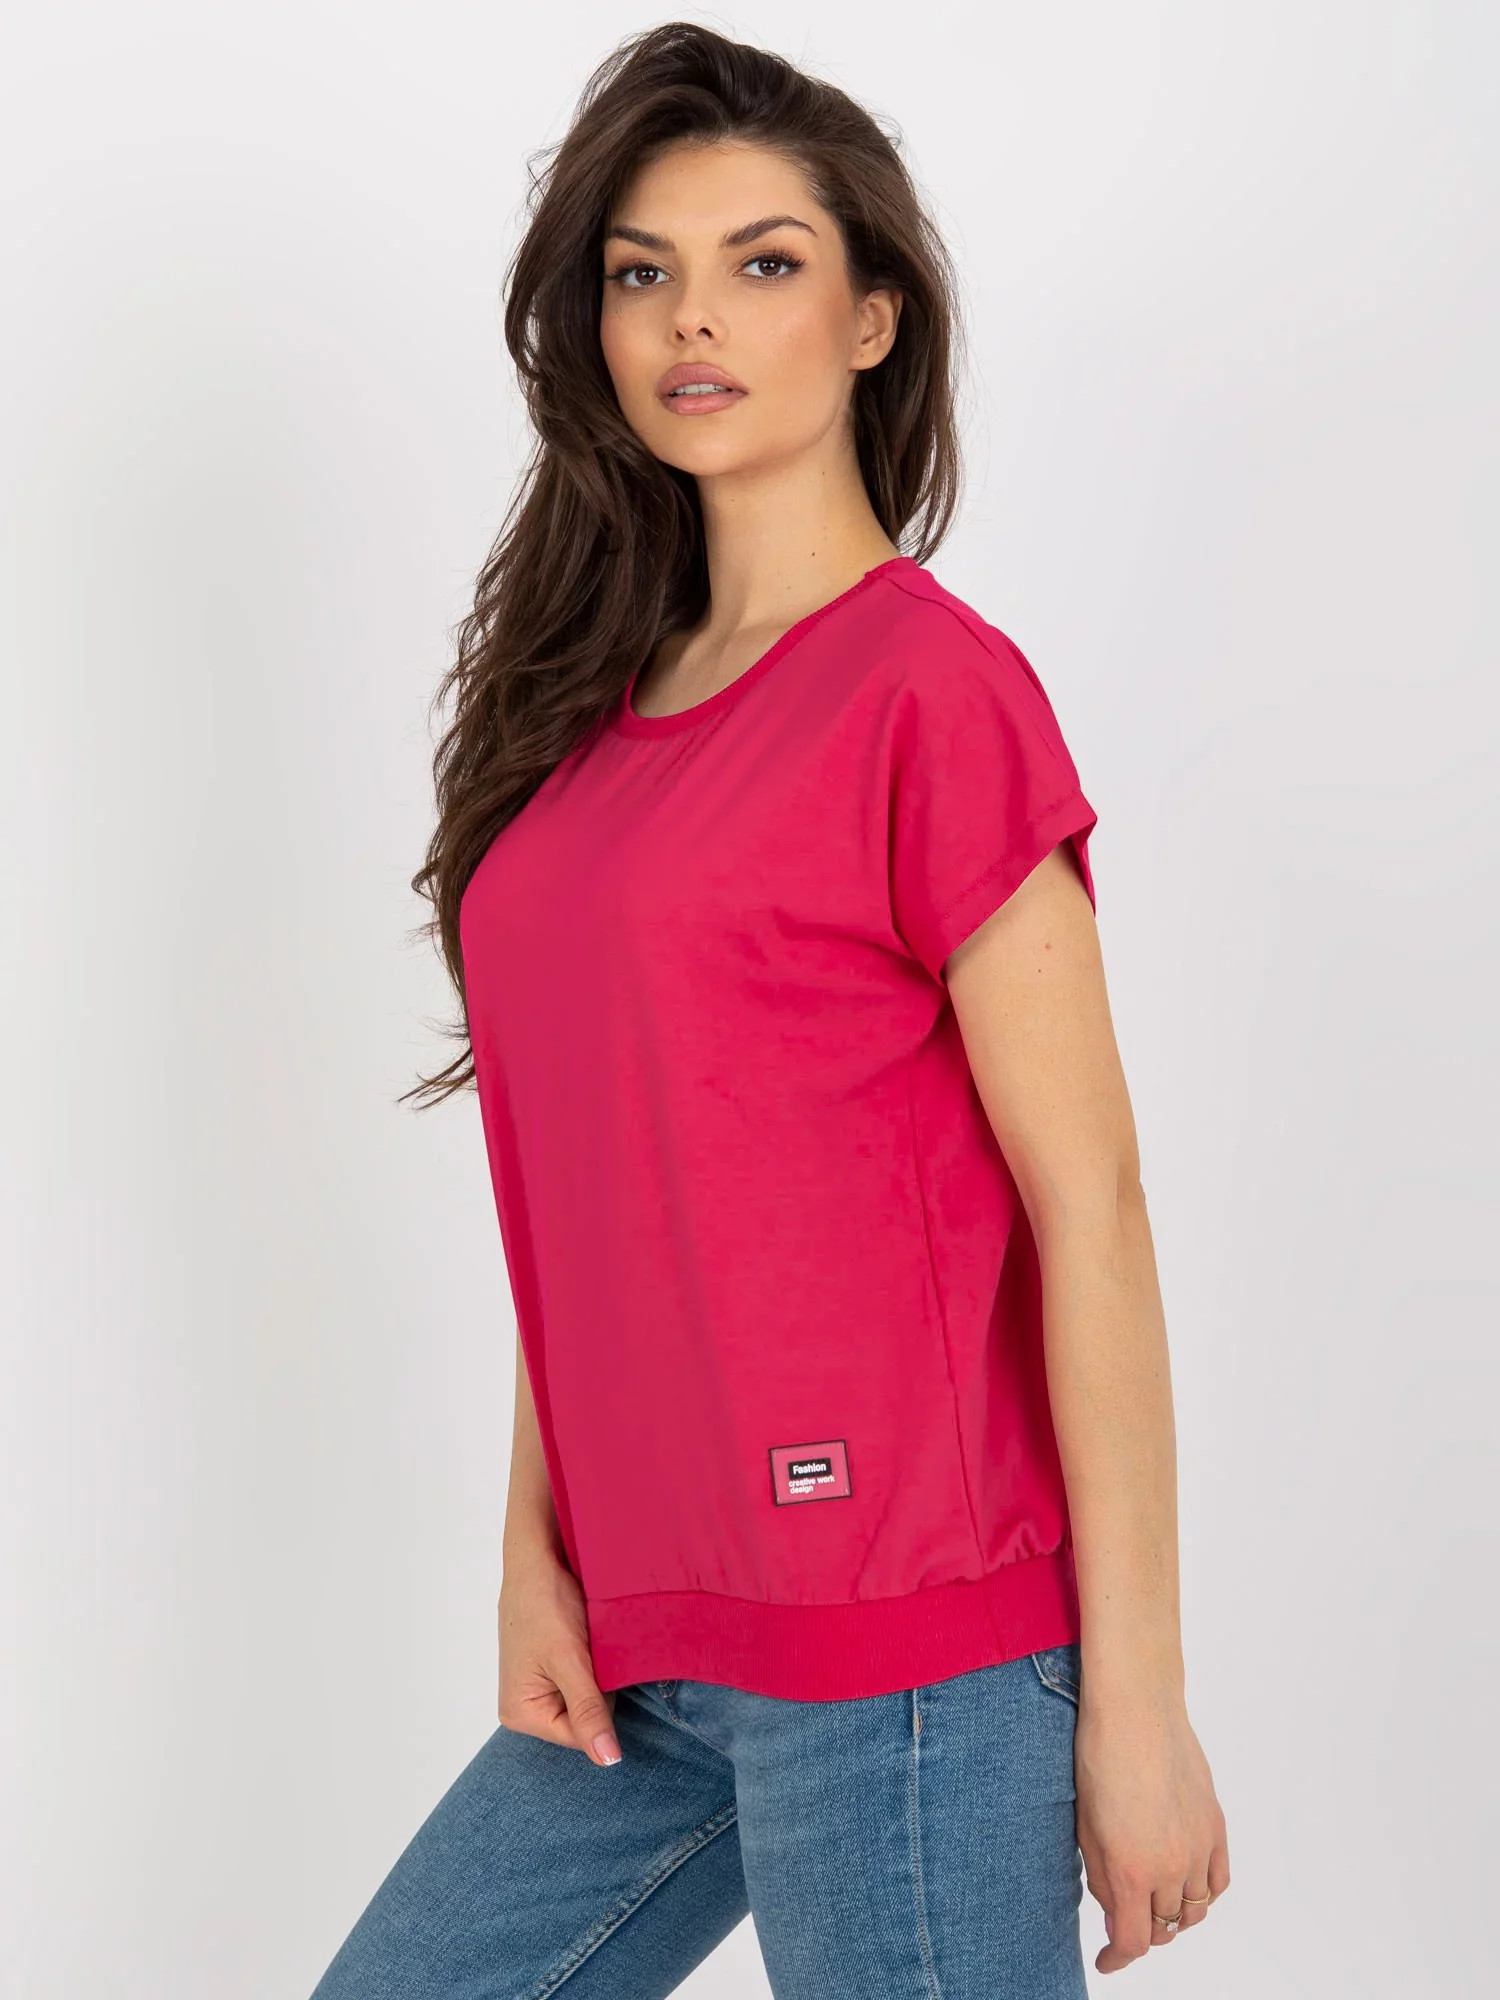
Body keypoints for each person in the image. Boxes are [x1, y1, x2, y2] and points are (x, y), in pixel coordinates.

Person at [309, 21, 1229, 1999]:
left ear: (874, 321)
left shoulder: (928, 693)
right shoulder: (579, 730)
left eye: (765, 262)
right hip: (646, 1643)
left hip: (913, 1653)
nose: (692, 318)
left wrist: (1140, 1709)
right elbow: (611, 1183)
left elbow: (1092, 1205)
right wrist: (537, 1545)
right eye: (642, 269)